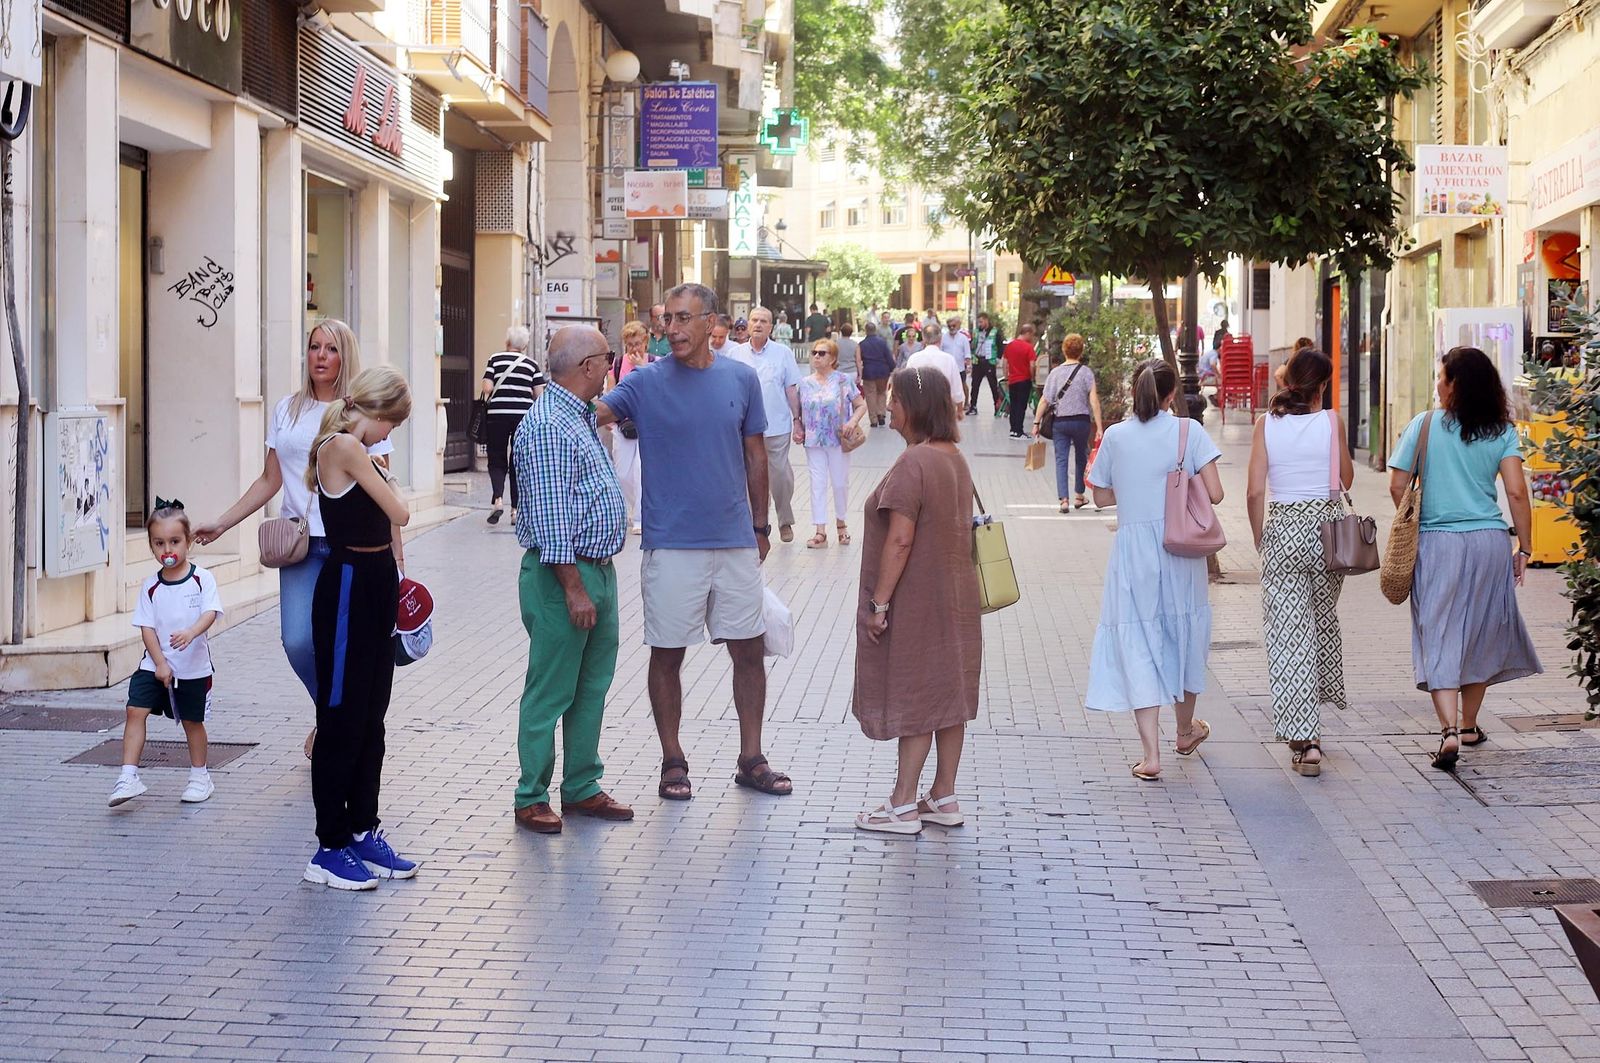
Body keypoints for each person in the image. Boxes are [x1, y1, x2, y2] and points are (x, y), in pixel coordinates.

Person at [595, 283, 794, 801]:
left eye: (684, 319)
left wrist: (760, 527)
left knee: (749, 651)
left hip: (733, 540)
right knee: (667, 654)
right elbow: (591, 413)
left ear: (711, 323)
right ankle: (672, 760)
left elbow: (756, 455)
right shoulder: (645, 382)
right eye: (668, 320)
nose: (674, 329)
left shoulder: (742, 378)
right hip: (670, 543)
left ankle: (752, 758)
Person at [194, 320, 397, 761]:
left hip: (351, 549)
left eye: (330, 348)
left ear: (345, 357)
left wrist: (397, 561)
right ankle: (332, 718)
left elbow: (384, 492)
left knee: (344, 647)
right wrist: (224, 523)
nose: (320, 356)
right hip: (301, 547)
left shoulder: (358, 410)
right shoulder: (286, 409)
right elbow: (270, 479)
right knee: (299, 641)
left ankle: (338, 730)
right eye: (313, 347)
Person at [1387, 346, 1541, 772]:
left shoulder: (1425, 425)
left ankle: (1450, 729)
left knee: (1438, 630)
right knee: (1481, 633)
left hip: (1438, 543)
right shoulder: (1501, 431)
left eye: (1443, 377)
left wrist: (1416, 518)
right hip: (1490, 542)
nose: (1438, 383)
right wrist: (1524, 547)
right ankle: (1471, 723)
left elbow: (1398, 484)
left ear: (1456, 385)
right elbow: (1515, 492)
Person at [511, 327, 634, 834]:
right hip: (566, 574)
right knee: (550, 689)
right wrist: (574, 587)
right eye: (607, 358)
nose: (611, 366)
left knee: (591, 686)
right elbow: (551, 514)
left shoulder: (577, 417)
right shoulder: (547, 426)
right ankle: (530, 795)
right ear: (587, 365)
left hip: (595, 570)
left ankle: (582, 785)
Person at [302, 366, 417, 891]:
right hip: (347, 580)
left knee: (373, 715)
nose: (391, 435)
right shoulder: (343, 447)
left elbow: (394, 525)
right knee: (342, 716)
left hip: (374, 580)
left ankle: (362, 828)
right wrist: (385, 473)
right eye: (391, 423)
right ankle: (329, 845)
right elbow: (400, 510)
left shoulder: (363, 450)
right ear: (372, 412)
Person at [852, 366, 981, 834]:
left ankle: (903, 803)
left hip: (918, 596)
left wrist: (879, 604)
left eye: (894, 397)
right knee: (950, 695)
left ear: (914, 406)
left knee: (917, 694)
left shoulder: (915, 462)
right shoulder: (955, 457)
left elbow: (900, 540)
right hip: (957, 595)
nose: (890, 405)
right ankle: (943, 795)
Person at [1085, 359, 1223, 781]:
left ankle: (1150, 755)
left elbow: (1100, 498)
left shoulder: (1115, 436)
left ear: (1134, 391)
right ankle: (1184, 731)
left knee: (1139, 640)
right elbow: (1216, 493)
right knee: (1182, 634)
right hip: (1179, 548)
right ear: (1170, 396)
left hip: (1133, 552)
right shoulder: (1189, 432)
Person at [1246, 349, 1352, 776]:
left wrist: (1260, 538)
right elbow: (1345, 478)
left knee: (1290, 635)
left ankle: (1305, 739)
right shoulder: (1331, 422)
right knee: (1321, 621)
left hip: (1284, 530)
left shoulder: (1265, 424)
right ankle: (1313, 719)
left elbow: (1255, 493)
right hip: (1327, 533)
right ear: (1323, 385)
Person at [108, 500, 223, 808]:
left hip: (193, 668)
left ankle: (200, 776)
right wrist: (159, 661)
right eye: (159, 543)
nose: (166, 549)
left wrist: (191, 632)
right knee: (135, 710)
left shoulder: (202, 578)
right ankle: (128, 775)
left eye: (174, 541)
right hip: (155, 664)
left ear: (188, 542)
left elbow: (211, 612)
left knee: (191, 721)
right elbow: (146, 627)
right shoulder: (150, 586)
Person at [731, 307, 804, 543]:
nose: (758, 324)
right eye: (754, 320)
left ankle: (785, 520)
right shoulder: (735, 354)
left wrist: (797, 420)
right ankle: (756, 525)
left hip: (777, 425)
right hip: (745, 429)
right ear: (748, 324)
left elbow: (791, 388)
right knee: (748, 476)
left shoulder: (783, 353)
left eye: (764, 321)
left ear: (771, 327)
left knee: (780, 474)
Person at [796, 338, 867, 548]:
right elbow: (799, 411)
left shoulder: (843, 380)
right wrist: (797, 427)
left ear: (833, 358)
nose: (817, 356)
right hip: (813, 441)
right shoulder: (804, 383)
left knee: (839, 483)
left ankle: (841, 524)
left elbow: (861, 405)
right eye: (815, 353)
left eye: (822, 353)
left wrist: (852, 422)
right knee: (817, 484)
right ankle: (820, 531)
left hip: (838, 439)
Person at [480, 325, 545, 527]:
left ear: (507, 342)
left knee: (496, 458)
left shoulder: (495, 359)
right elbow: (539, 395)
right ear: (524, 345)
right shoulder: (532, 365)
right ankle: (516, 511)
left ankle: (498, 499)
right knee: (518, 461)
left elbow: (487, 388)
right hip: (523, 418)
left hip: (497, 415)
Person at [1033, 333, 1104, 512]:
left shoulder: (1055, 373)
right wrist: (1100, 427)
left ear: (1064, 350)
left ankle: (1063, 500)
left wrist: (1036, 423)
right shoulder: (1086, 373)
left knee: (1061, 459)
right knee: (1081, 457)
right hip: (1081, 422)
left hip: (1061, 423)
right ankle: (1079, 496)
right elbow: (1094, 401)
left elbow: (1044, 400)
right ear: (1081, 351)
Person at [610, 322, 653, 534]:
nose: (634, 349)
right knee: (623, 474)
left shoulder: (655, 364)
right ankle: (635, 506)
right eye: (629, 345)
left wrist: (642, 368)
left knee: (641, 473)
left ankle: (640, 518)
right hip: (623, 427)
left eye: (637, 343)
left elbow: (660, 391)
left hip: (648, 427)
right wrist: (612, 424)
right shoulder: (618, 365)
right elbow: (610, 394)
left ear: (646, 342)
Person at [906, 325, 966, 417]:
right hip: (943, 408)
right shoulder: (949, 359)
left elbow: (908, 385)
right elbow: (956, 387)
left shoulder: (913, 359)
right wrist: (960, 410)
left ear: (923, 338)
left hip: (920, 407)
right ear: (940, 338)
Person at [1003, 323, 1039, 438]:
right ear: (1027, 333)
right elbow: (1032, 365)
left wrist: (1006, 377)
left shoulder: (1010, 346)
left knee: (1013, 404)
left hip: (1012, 380)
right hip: (1024, 379)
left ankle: (1013, 429)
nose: (1032, 338)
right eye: (1031, 335)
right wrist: (1032, 377)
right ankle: (1019, 430)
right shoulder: (1028, 347)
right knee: (1021, 405)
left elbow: (1004, 363)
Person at [967, 311, 1005, 416]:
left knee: (993, 385)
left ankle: (997, 406)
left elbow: (1000, 346)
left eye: (981, 322)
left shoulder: (995, 332)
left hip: (989, 361)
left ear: (986, 320)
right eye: (978, 322)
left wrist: (997, 359)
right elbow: (972, 345)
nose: (980, 324)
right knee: (975, 385)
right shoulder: (975, 332)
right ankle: (973, 406)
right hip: (977, 360)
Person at [859, 320, 894, 427]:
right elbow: (888, 356)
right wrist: (892, 367)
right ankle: (881, 414)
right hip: (882, 372)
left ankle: (873, 420)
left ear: (866, 331)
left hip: (869, 372)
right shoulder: (882, 342)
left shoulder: (862, 344)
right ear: (875, 330)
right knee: (882, 393)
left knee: (870, 395)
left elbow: (859, 359)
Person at [941, 315, 972, 395]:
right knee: (947, 386)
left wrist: (968, 366)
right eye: (949, 326)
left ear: (957, 326)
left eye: (953, 326)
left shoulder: (963, 338)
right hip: (947, 367)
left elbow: (967, 354)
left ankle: (966, 402)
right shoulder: (943, 338)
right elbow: (940, 352)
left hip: (960, 367)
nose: (951, 328)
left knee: (963, 385)